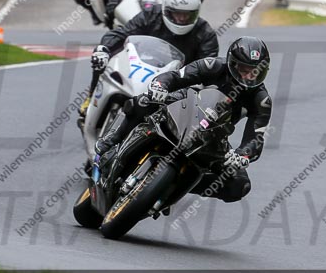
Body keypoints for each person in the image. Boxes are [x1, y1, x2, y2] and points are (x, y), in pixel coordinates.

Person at [94, 36, 272, 203]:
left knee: (240, 186)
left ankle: (175, 187)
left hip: (215, 135)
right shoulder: (213, 66)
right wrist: (160, 85)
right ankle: (111, 140)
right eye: (244, 70)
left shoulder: (261, 100)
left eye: (255, 72)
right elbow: (177, 76)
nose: (249, 77)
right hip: (184, 104)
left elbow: (256, 137)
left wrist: (242, 154)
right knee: (142, 101)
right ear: (232, 63)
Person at [79, 0, 217, 119]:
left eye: (187, 15)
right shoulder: (151, 14)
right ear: (166, 10)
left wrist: (198, 87)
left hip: (175, 84)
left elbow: (206, 71)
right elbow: (124, 32)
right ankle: (91, 97)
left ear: (195, 13)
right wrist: (104, 48)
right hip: (141, 66)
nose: (181, 18)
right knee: (100, 59)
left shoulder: (206, 34)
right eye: (176, 13)